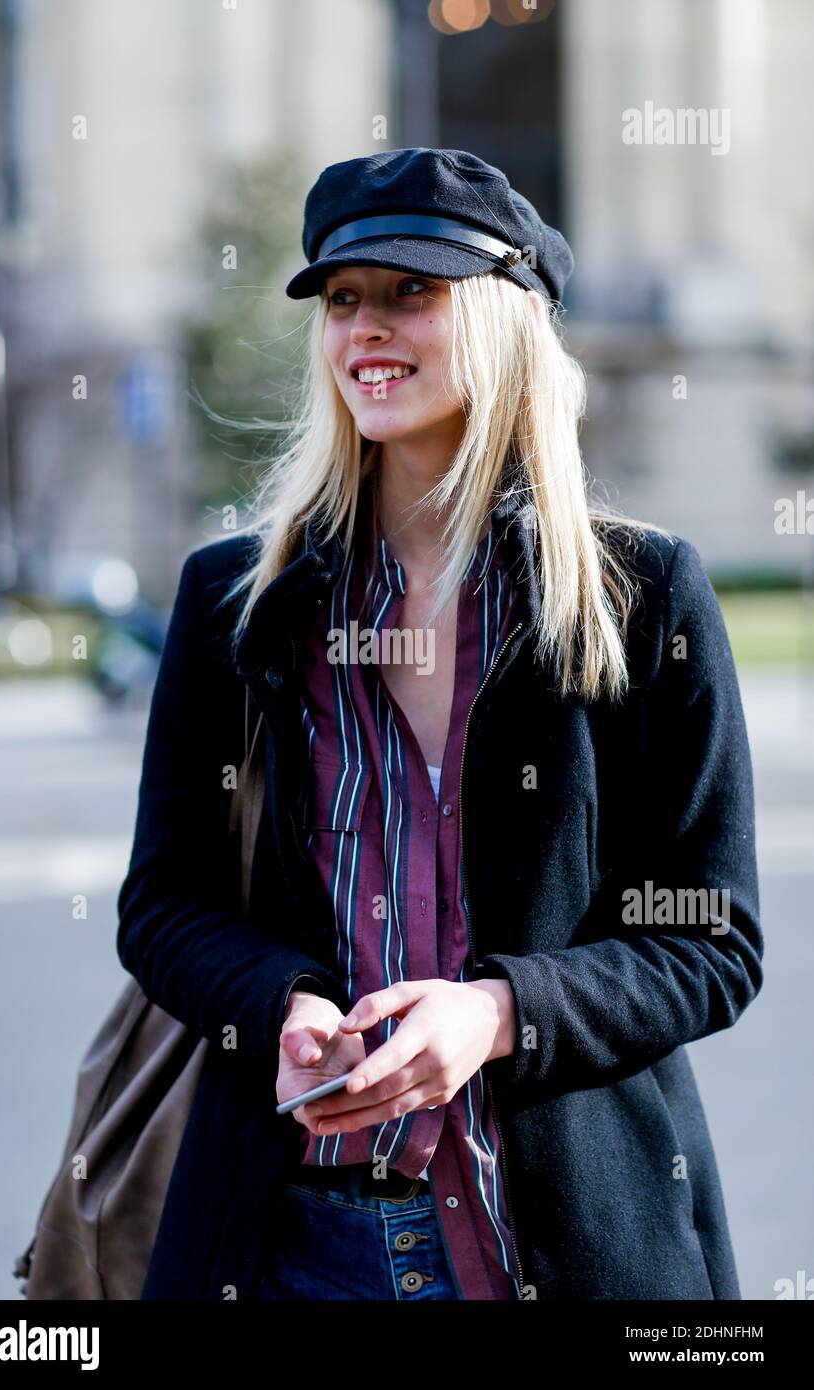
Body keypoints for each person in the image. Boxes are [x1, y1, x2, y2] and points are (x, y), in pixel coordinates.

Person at [116, 148, 763, 1301]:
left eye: (412, 290)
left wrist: (499, 1013)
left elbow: (711, 941)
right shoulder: (237, 601)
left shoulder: (642, 594)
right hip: (283, 1246)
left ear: (506, 317)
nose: (367, 325)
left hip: (555, 1249)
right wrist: (282, 1004)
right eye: (343, 298)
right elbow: (164, 905)